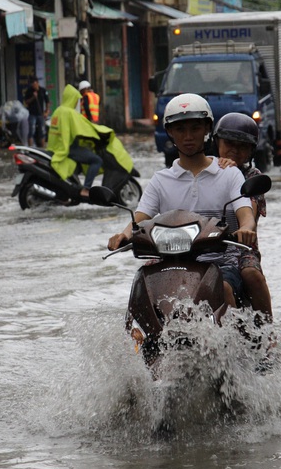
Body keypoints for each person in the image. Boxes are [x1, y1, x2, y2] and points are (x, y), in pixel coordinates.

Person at [107, 93, 257, 308]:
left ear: (207, 129)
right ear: (169, 132)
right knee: (142, 292)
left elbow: (246, 215)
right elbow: (139, 218)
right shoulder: (161, 180)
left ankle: (232, 340)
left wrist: (246, 229)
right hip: (170, 262)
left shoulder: (230, 174)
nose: (188, 136)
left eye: (195, 129)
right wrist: (123, 235)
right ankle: (139, 339)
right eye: (180, 130)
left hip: (221, 261)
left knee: (222, 289)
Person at [214, 112, 273, 320]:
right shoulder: (207, 171)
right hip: (204, 245)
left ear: (251, 151)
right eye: (229, 143)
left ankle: (267, 332)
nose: (234, 150)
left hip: (241, 248)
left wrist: (246, 229)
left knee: (251, 274)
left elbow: (250, 211)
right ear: (217, 143)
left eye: (242, 146)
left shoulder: (253, 177)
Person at [47, 84, 105, 199]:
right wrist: (99, 132)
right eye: (76, 100)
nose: (76, 103)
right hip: (68, 148)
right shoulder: (69, 112)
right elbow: (84, 127)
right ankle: (86, 189)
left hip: (54, 147)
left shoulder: (58, 110)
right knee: (97, 160)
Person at [23, 76, 49, 147]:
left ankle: (43, 147)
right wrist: (33, 98)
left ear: (37, 83)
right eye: (32, 84)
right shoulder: (29, 91)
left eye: (34, 84)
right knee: (31, 131)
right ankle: (31, 147)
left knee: (42, 131)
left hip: (40, 114)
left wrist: (46, 111)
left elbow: (47, 102)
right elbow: (26, 102)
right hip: (32, 114)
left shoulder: (43, 90)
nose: (33, 85)